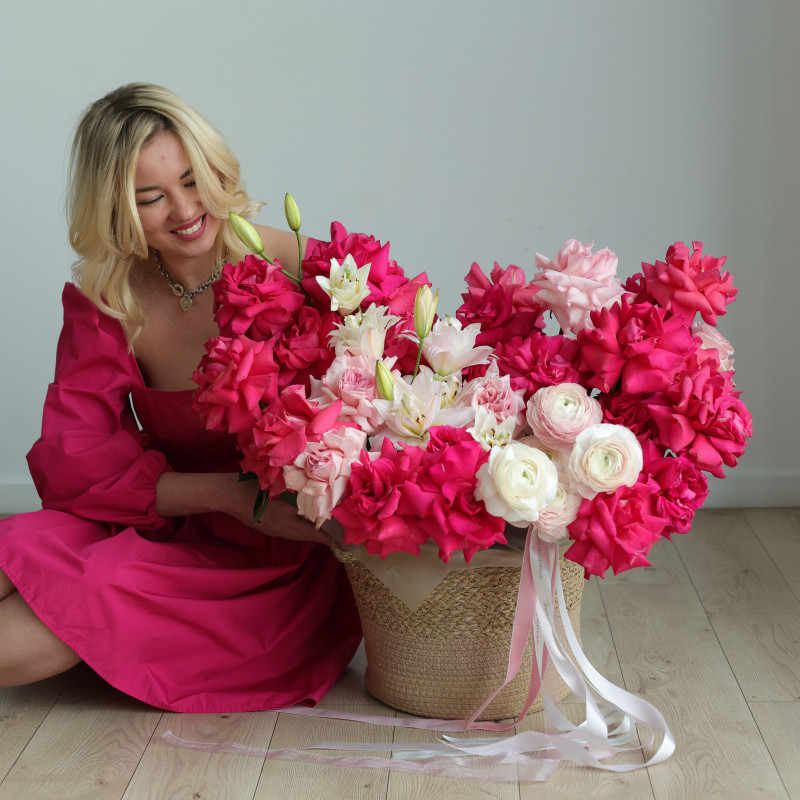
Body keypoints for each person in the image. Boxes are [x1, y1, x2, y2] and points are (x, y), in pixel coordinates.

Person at [0, 83, 362, 712]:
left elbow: (397, 396)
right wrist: (224, 495)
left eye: (195, 180)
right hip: (168, 511)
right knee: (13, 548)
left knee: (22, 638)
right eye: (151, 198)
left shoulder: (313, 268)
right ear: (116, 210)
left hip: (279, 556)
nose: (187, 209)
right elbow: (73, 452)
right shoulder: (110, 297)